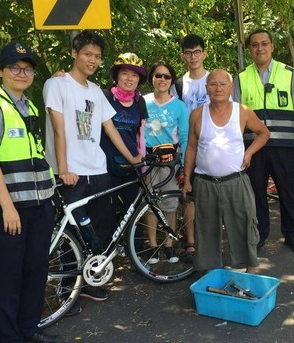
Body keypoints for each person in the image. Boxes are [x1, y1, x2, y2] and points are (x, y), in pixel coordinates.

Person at [0, 42, 58, 343]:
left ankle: (28, 329)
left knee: (36, 270)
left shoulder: (30, 107)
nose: (22, 74)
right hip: (11, 209)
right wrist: (7, 207)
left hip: (40, 205)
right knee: (9, 276)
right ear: (0, 71)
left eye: (27, 69)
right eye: (15, 68)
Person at [43, 31, 142, 305]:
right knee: (71, 233)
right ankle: (66, 291)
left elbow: (110, 129)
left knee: (99, 229)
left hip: (98, 170)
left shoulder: (96, 91)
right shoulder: (57, 85)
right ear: (74, 54)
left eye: (97, 56)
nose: (92, 60)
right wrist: (62, 168)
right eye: (87, 54)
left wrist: (133, 158)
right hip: (71, 172)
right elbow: (58, 130)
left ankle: (88, 282)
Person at [183, 69, 269, 273]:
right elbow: (192, 148)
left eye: (223, 84)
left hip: (236, 181)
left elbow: (263, 133)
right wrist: (187, 179)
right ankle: (210, 272)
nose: (218, 88)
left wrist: (248, 154)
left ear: (231, 88)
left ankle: (250, 269)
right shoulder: (197, 114)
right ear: (207, 88)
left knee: (243, 225)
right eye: (213, 84)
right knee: (206, 229)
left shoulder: (243, 111)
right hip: (205, 182)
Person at [233, 29, 294, 255]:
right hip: (254, 147)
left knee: (288, 191)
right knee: (256, 193)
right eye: (255, 45)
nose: (260, 48)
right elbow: (235, 113)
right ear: (250, 50)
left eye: (264, 43)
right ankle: (260, 234)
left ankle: (292, 234)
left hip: (284, 146)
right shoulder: (241, 77)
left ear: (272, 46)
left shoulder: (288, 72)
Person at [143, 61, 189, 264]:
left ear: (172, 80)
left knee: (170, 205)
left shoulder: (179, 106)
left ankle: (169, 243)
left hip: (170, 162)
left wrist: (186, 165)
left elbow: (186, 136)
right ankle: (153, 245)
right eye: (158, 75)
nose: (162, 79)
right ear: (152, 77)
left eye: (167, 76)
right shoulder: (142, 102)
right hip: (148, 161)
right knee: (150, 204)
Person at [170, 34, 210, 262]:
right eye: (188, 53)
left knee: (213, 195)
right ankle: (192, 243)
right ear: (183, 56)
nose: (193, 57)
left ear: (204, 53)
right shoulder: (178, 84)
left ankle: (210, 242)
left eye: (197, 52)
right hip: (188, 148)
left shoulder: (214, 79)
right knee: (188, 196)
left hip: (213, 147)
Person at [100, 53, 149, 209]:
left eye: (134, 75)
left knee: (133, 212)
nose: (129, 79)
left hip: (131, 166)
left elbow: (141, 135)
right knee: (106, 214)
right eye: (125, 74)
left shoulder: (139, 102)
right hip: (106, 165)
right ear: (117, 76)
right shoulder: (105, 97)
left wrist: (143, 166)